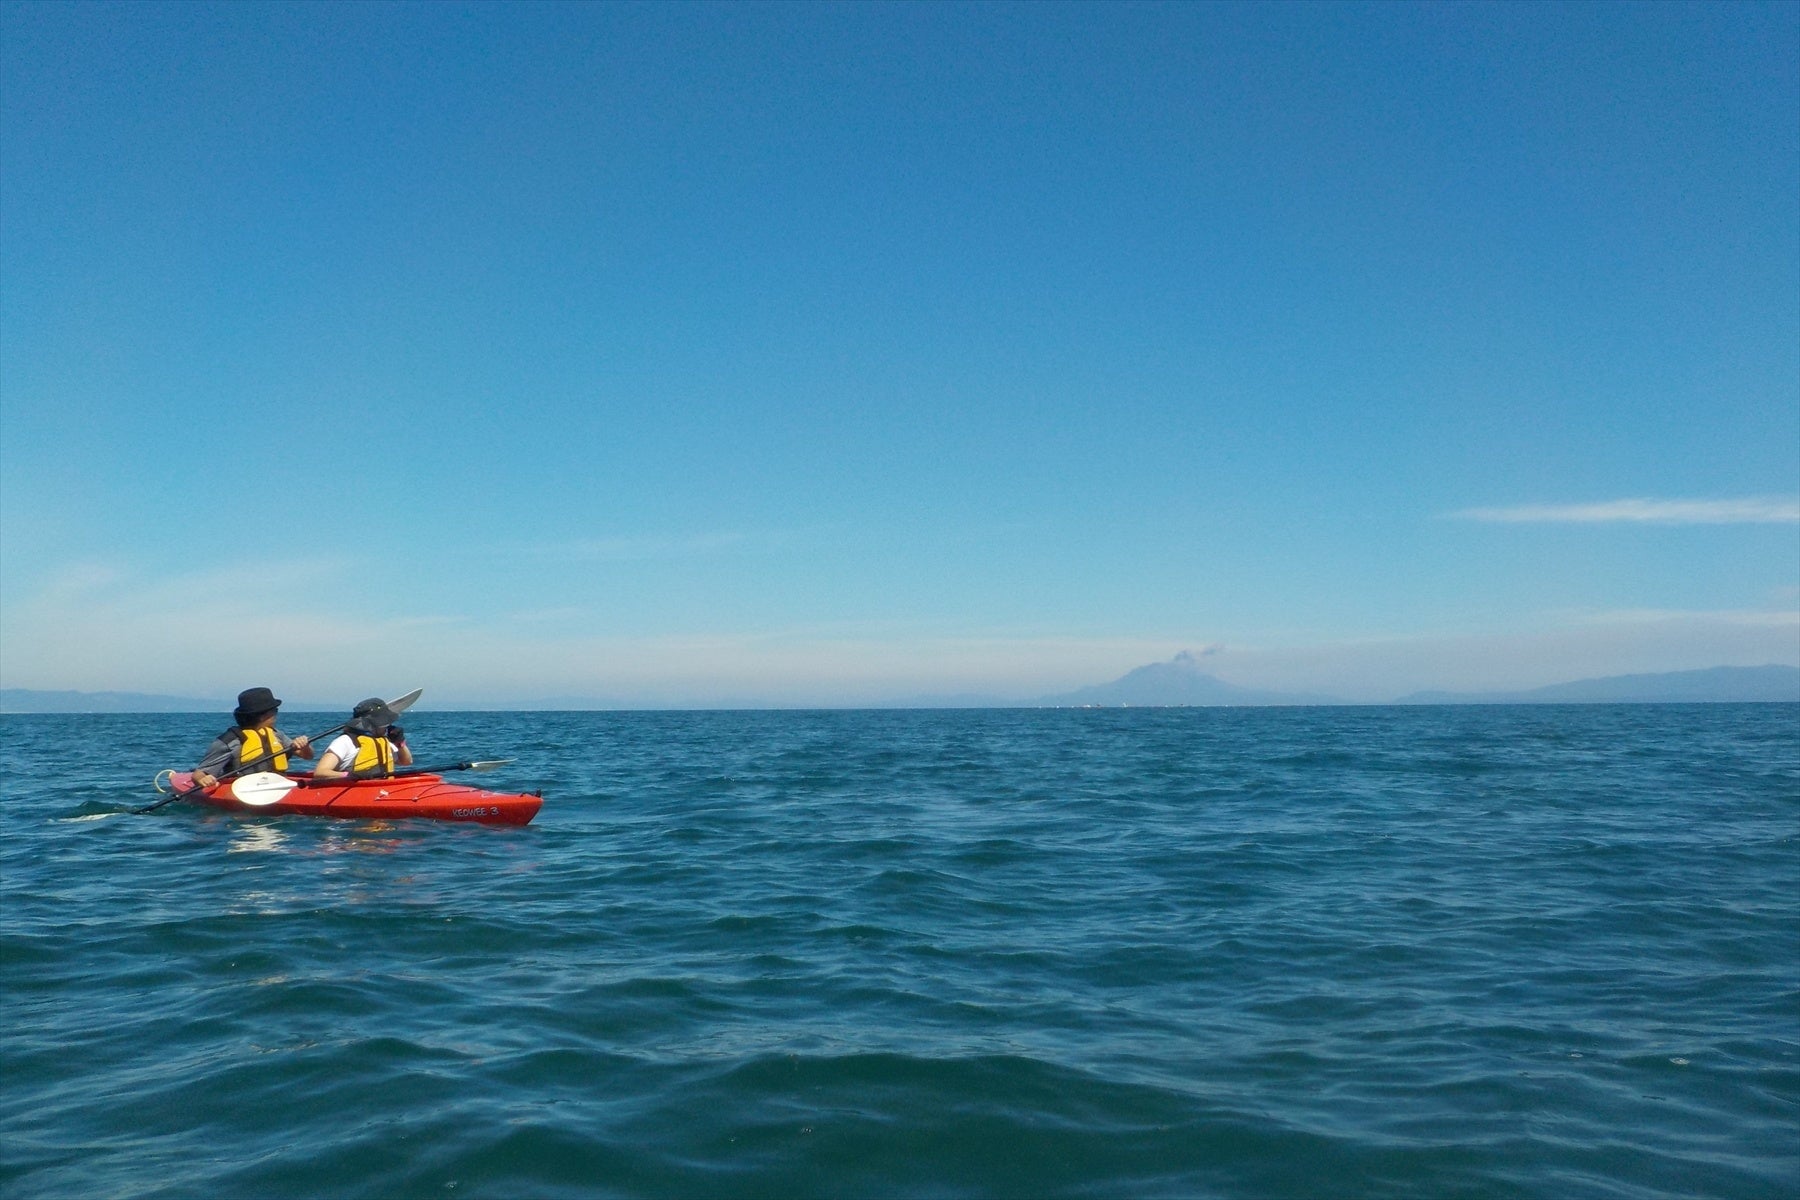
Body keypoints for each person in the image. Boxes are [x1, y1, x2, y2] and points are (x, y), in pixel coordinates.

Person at [192, 687, 315, 788]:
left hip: (277, 786)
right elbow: (198, 774)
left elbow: (308, 756)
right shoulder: (228, 742)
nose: (276, 714)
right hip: (243, 790)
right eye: (274, 711)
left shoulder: (277, 735)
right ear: (262, 716)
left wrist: (305, 746)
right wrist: (203, 779)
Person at [313, 697, 414, 781]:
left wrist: (400, 743)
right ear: (372, 724)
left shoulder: (383, 742)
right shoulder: (345, 742)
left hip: (382, 791)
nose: (388, 726)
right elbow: (320, 772)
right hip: (354, 792)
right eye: (384, 722)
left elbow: (406, 762)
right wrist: (347, 776)